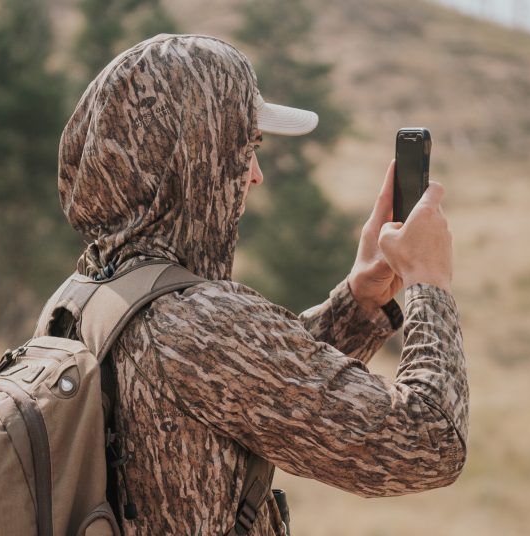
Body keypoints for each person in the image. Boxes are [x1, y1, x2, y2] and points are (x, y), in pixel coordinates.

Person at [57, 33, 467, 535]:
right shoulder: (199, 325)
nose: (256, 175)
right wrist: (430, 283)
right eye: (246, 148)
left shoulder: (81, 297)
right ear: (194, 160)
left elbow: (248, 386)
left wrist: (357, 301)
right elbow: (429, 445)